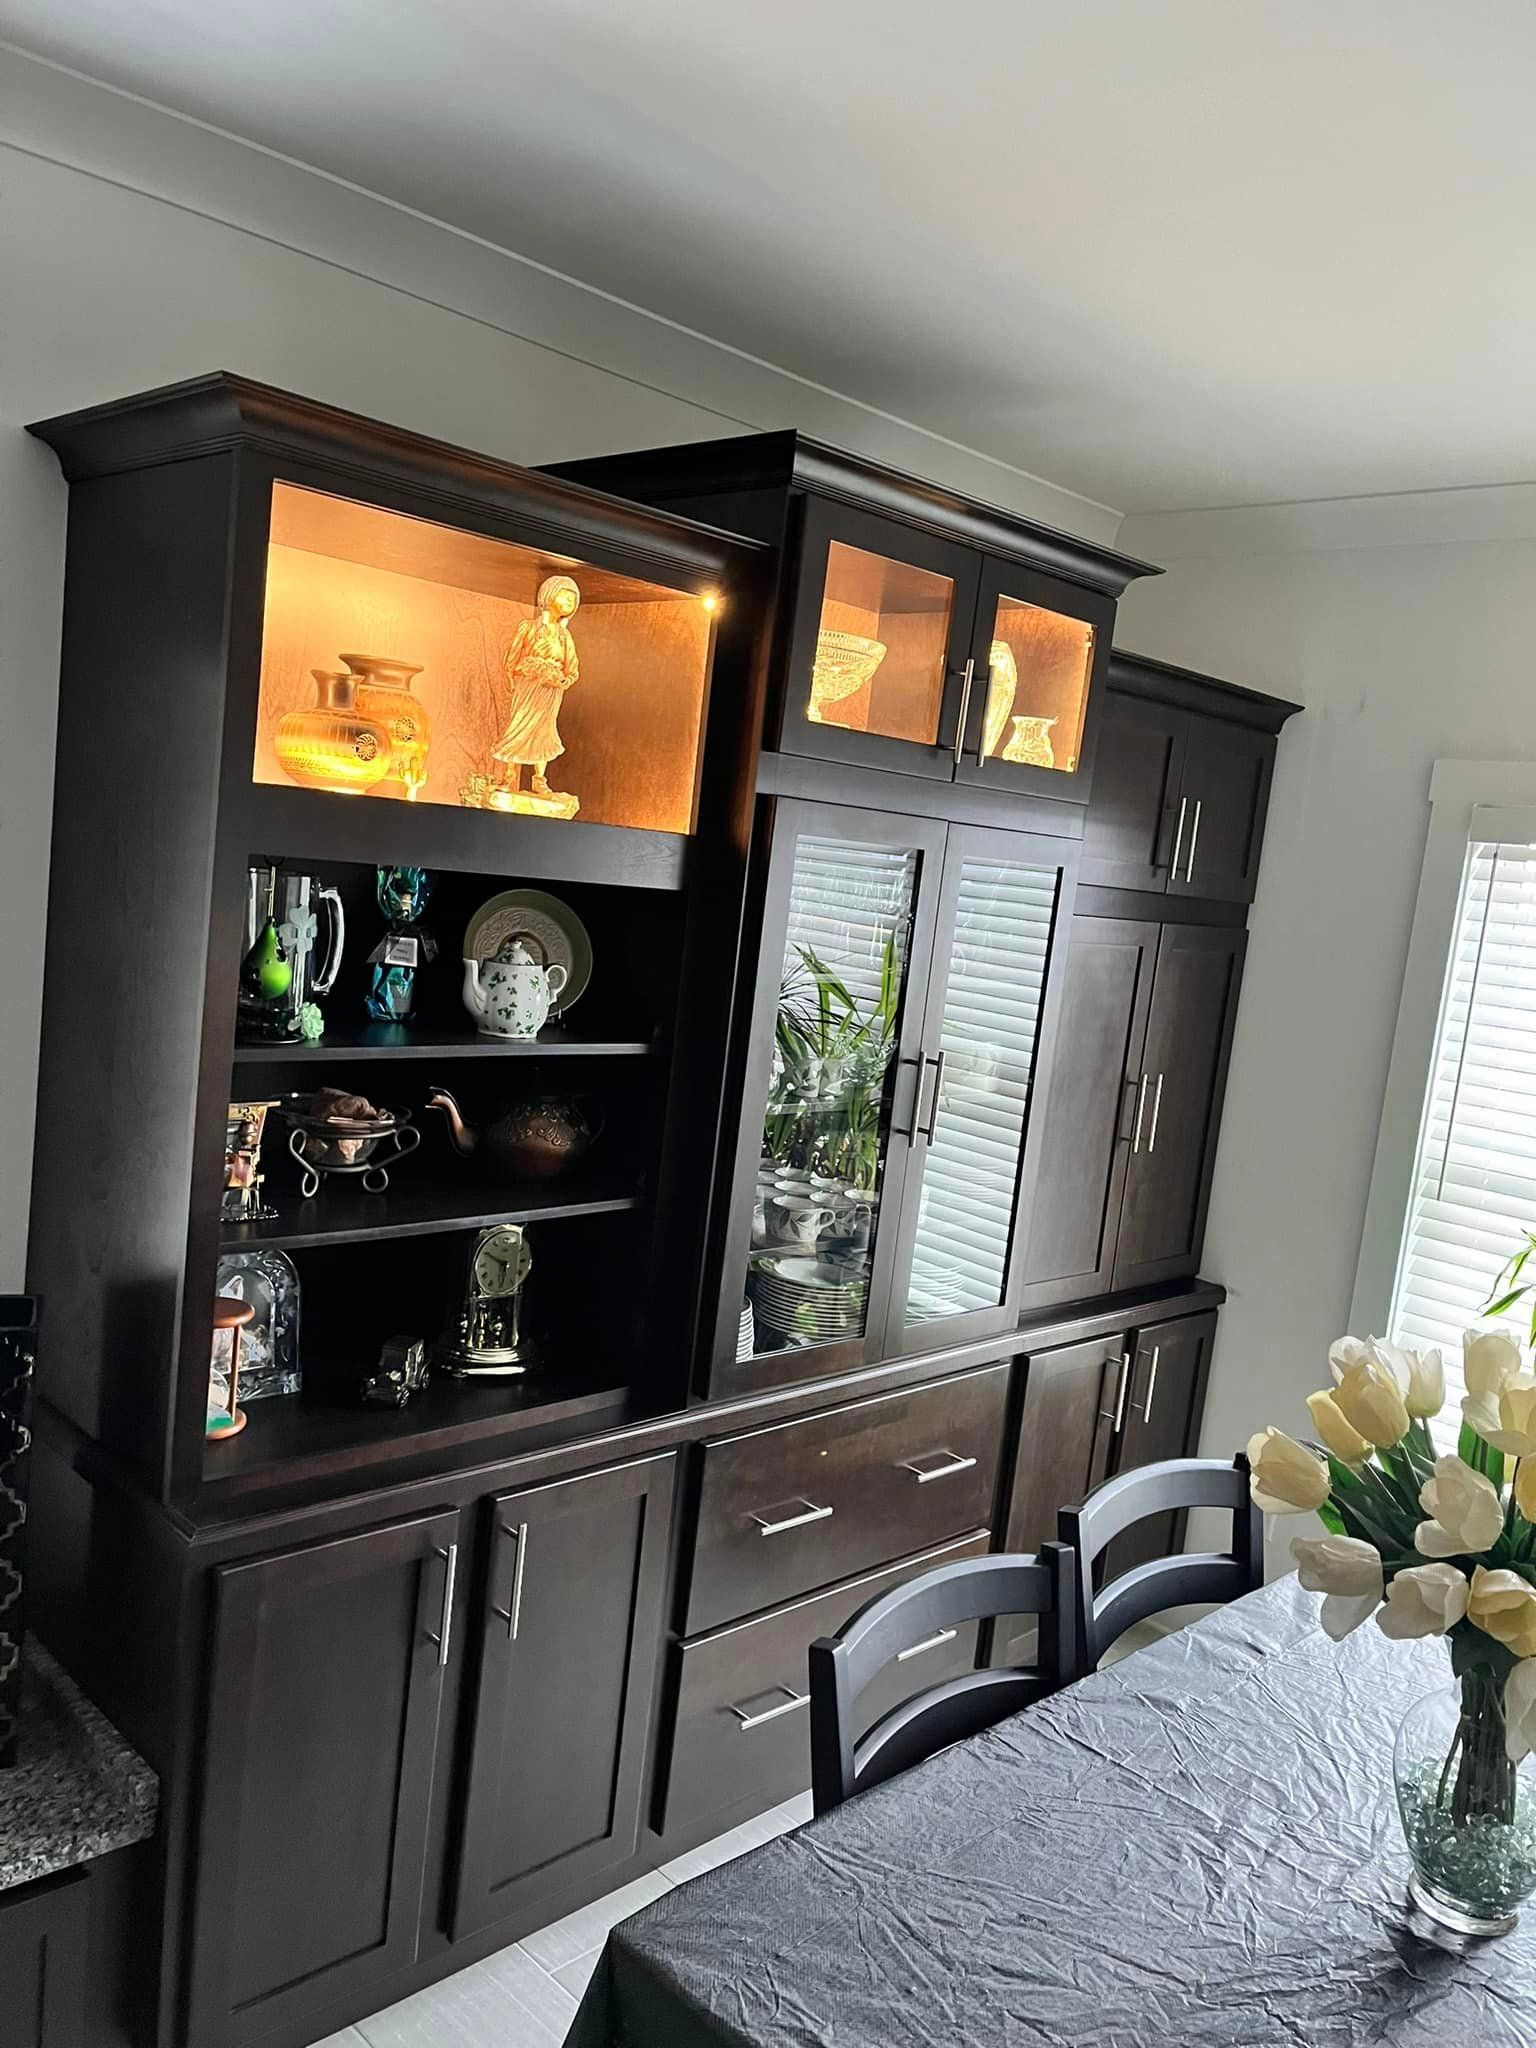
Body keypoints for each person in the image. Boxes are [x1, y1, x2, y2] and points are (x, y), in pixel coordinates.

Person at [492, 573, 581, 799]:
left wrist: (565, 680)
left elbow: (572, 667)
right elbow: (511, 659)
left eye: (573, 600)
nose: (569, 603)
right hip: (528, 686)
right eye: (565, 597)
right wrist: (513, 681)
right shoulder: (529, 628)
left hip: (550, 691)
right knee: (519, 727)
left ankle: (539, 779)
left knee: (544, 732)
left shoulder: (564, 636)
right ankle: (509, 775)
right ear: (549, 595)